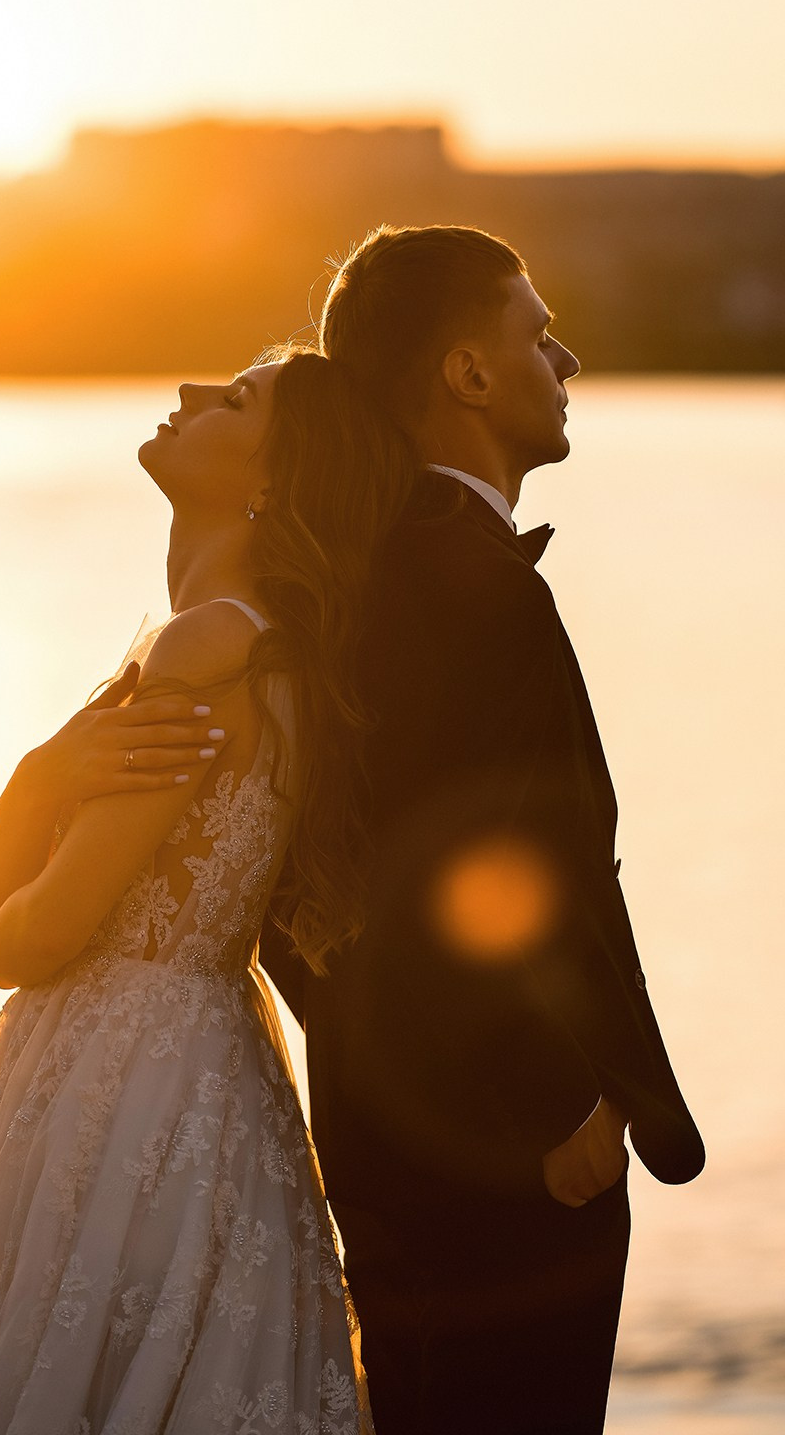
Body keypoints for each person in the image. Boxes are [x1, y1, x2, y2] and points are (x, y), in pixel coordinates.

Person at [0, 349, 408, 1435]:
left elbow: (30, 936)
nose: (185, 397)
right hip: (203, 1068)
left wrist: (33, 792)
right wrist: (46, 776)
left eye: (233, 402)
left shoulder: (203, 646)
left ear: (272, 481)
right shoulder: (269, 651)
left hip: (120, 1083)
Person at [259, 224, 705, 1435]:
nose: (564, 365)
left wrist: (363, 1058)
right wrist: (559, 1112)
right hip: (506, 1166)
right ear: (464, 374)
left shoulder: (351, 574)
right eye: (536, 335)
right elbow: (495, 873)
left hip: (389, 1138)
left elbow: (287, 881)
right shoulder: (470, 586)